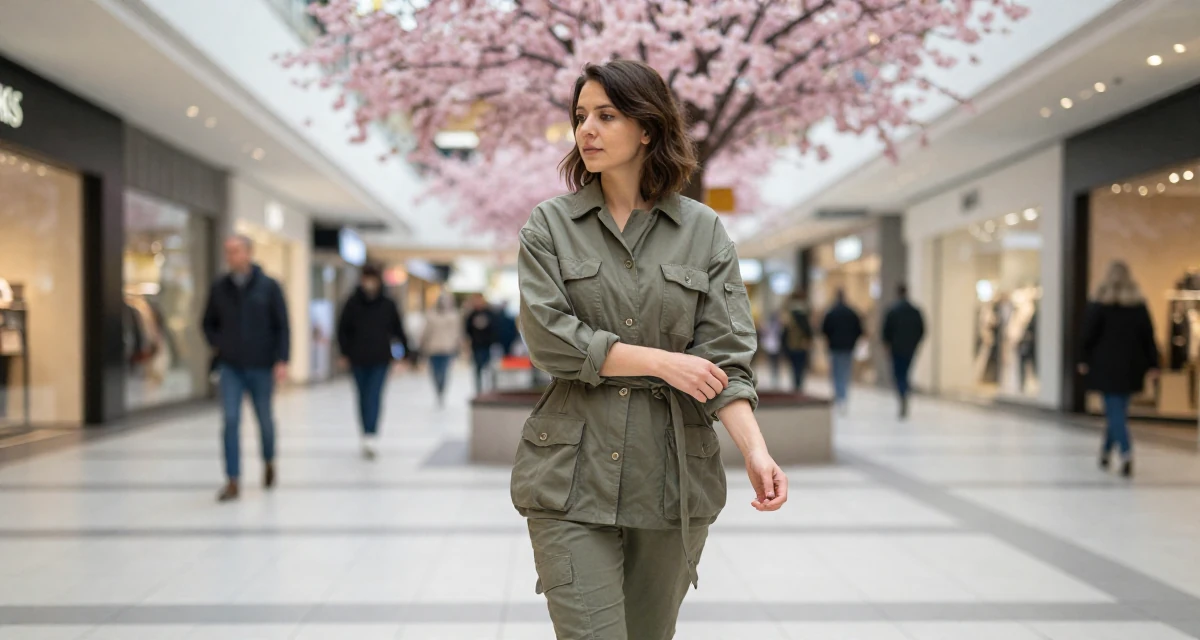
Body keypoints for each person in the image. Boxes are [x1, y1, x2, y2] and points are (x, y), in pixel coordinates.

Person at [515, 60, 788, 639]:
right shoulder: (550, 226)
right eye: (580, 116)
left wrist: (756, 452)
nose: (586, 128)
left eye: (606, 116)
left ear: (647, 128)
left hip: (672, 483)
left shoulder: (704, 230)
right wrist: (661, 361)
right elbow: (548, 338)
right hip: (570, 480)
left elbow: (727, 358)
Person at [202, 235, 290, 502]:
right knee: (230, 420)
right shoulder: (219, 287)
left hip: (262, 366)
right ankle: (232, 479)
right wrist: (219, 344)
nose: (231, 257)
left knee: (264, 419)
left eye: (236, 251)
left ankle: (269, 460)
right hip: (231, 367)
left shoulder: (269, 286)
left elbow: (282, 325)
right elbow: (207, 323)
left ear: (249, 253)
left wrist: (282, 360)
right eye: (228, 252)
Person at [1078, 260, 1160, 478]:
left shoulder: (1099, 305)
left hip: (1105, 366)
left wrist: (1083, 360)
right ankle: (1105, 452)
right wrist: (1153, 364)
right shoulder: (1138, 306)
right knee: (1117, 411)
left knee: (1115, 413)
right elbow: (1148, 338)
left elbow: (1087, 336)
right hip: (1131, 367)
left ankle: (1125, 452)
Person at [337, 264, 408, 460]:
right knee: (362, 396)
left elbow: (398, 329)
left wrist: (405, 354)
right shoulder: (352, 303)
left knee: (374, 395)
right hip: (357, 358)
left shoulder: (387, 304)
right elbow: (343, 330)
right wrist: (344, 353)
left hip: (380, 359)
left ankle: (371, 434)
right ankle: (365, 431)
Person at [882, 283, 926, 419]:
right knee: (905, 373)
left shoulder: (893, 311)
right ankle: (904, 393)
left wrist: (887, 345)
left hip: (897, 348)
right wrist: (915, 343)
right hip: (909, 348)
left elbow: (885, 332)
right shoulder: (915, 311)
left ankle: (902, 395)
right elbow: (922, 330)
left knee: (898, 375)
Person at [821, 289, 864, 413]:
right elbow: (859, 330)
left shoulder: (832, 312)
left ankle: (839, 395)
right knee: (845, 372)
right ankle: (843, 396)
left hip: (835, 347)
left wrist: (829, 340)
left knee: (836, 372)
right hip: (848, 347)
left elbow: (824, 329)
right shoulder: (852, 312)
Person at [422, 293, 462, 407]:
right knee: (435, 372)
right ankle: (438, 389)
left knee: (444, 371)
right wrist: (423, 344)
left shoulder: (454, 316)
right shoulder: (431, 316)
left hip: (447, 348)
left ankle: (441, 390)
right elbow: (426, 332)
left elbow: (457, 333)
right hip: (433, 348)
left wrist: (458, 345)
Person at [780, 288, 814, 394]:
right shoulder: (805, 312)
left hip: (791, 344)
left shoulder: (788, 312)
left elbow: (784, 330)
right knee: (800, 365)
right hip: (801, 343)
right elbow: (808, 329)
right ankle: (799, 385)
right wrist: (809, 339)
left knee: (794, 365)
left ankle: (796, 385)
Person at [464, 294, 497, 395]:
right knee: (477, 368)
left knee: (488, 367)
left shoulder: (490, 313)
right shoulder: (471, 314)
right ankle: (479, 389)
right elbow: (467, 329)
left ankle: (489, 388)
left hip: (488, 345)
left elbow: (495, 328)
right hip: (476, 345)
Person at [758, 312, 784, 389]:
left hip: (775, 346)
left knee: (775, 363)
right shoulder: (772, 326)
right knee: (774, 363)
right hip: (772, 346)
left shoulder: (777, 326)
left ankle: (775, 378)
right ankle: (774, 378)